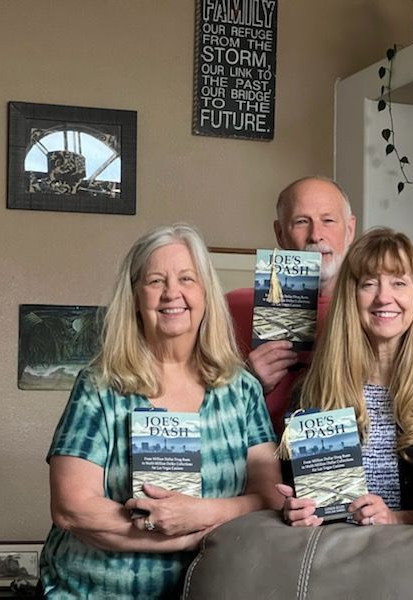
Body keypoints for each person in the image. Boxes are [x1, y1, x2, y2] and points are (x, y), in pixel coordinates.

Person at [40, 224, 283, 598]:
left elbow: (268, 496)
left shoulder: (242, 389)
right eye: (156, 281)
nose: (173, 293)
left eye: (187, 278)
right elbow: (71, 508)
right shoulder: (99, 387)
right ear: (135, 297)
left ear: (205, 293)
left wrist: (201, 514)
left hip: (209, 590)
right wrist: (181, 538)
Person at [278, 228, 413, 526]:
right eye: (369, 284)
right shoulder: (310, 394)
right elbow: (296, 497)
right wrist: (294, 510)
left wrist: (396, 518)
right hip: (333, 550)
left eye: (399, 283)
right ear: (350, 297)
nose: (384, 297)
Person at [226, 176, 356, 435]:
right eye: (301, 222)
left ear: (350, 230)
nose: (316, 235)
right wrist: (247, 381)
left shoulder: (377, 313)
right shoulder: (231, 308)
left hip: (340, 454)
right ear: (280, 233)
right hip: (258, 452)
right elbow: (197, 408)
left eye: (328, 220)